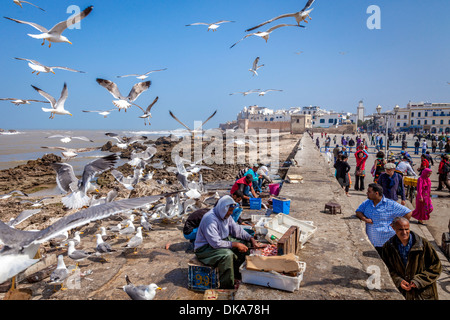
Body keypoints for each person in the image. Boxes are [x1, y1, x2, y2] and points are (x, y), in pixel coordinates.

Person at [194, 195, 264, 289]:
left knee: (246, 244)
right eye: (229, 210)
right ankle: (227, 286)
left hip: (222, 240)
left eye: (231, 210)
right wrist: (235, 244)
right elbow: (215, 243)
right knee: (227, 255)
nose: (231, 213)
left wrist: (251, 239)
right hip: (205, 248)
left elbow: (237, 230)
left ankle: (238, 274)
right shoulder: (210, 219)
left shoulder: (226, 216)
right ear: (223, 208)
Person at [381, 217, 442, 300]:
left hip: (423, 294)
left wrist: (418, 281)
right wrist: (398, 280)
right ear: (393, 228)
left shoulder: (424, 244)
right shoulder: (388, 247)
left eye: (406, 229)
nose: (404, 232)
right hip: (402, 293)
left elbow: (436, 266)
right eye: (400, 229)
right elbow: (385, 268)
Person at [355, 183, 412, 255]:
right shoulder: (367, 202)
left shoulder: (390, 204)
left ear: (376, 193)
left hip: (386, 242)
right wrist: (364, 219)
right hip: (372, 242)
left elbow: (408, 213)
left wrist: (398, 225)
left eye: (369, 192)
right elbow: (358, 211)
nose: (367, 193)